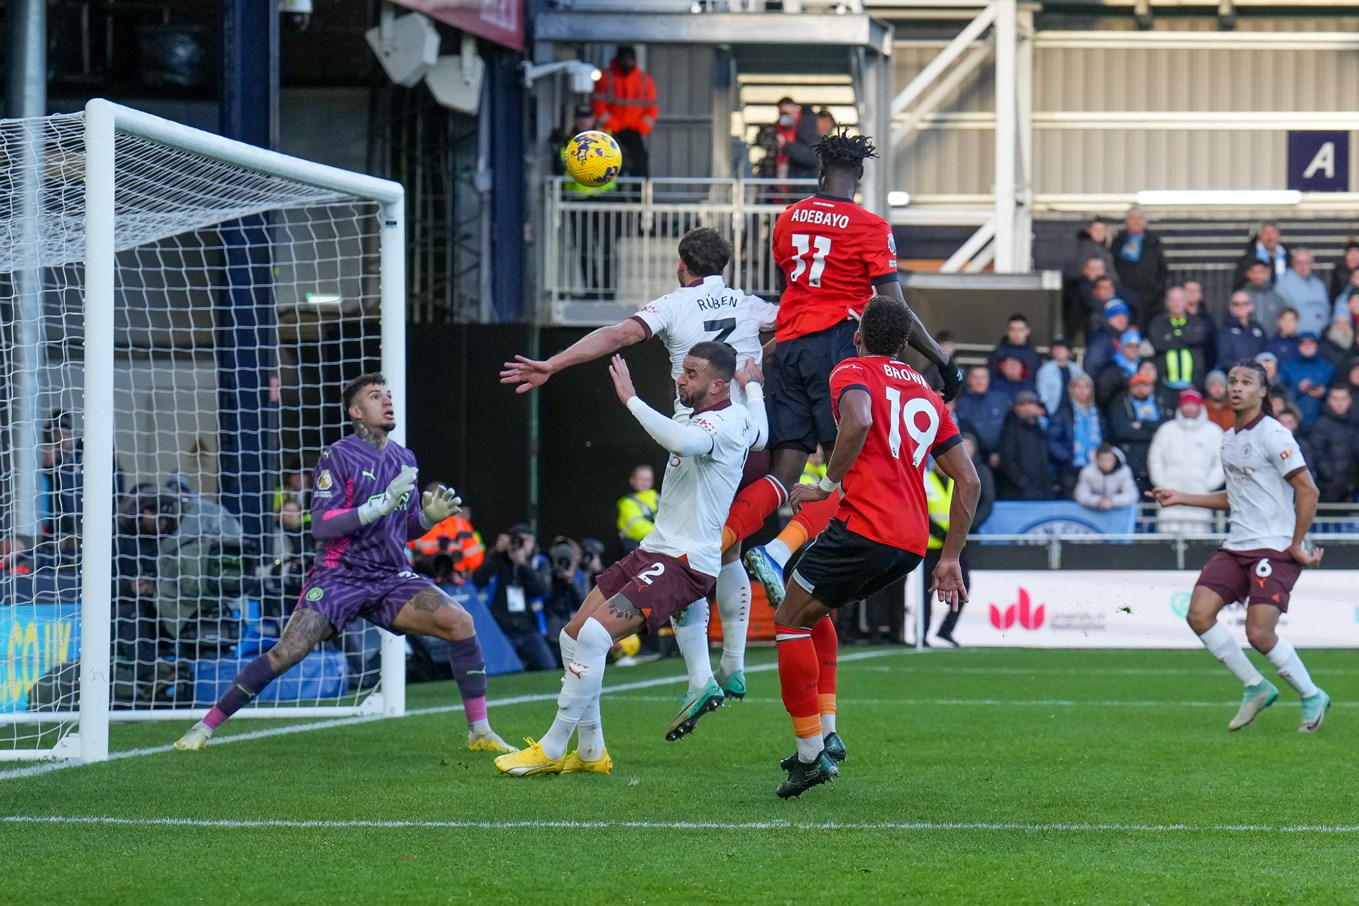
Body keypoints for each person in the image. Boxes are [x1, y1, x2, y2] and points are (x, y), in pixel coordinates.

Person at [501, 226, 775, 702]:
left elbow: (618, 334)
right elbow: (796, 320)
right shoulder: (749, 304)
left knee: (683, 550)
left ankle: (703, 676)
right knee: (724, 548)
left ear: (681, 265)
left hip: (697, 436)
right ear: (724, 267)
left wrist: (554, 364)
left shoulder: (673, 304)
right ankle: (729, 664)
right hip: (748, 438)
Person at [173, 373, 515, 754]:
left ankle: (479, 730)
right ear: (356, 411)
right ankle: (204, 727)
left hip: (389, 577)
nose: (387, 401)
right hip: (340, 576)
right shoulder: (337, 456)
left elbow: (402, 528)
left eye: (387, 394)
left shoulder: (405, 459)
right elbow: (321, 526)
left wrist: (427, 519)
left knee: (460, 622)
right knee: (289, 651)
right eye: (375, 396)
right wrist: (377, 506)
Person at [494, 343, 765, 776]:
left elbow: (682, 439)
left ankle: (551, 746)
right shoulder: (737, 414)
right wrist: (753, 389)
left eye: (691, 374)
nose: (681, 379)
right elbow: (763, 433)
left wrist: (631, 399)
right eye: (682, 370)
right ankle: (590, 752)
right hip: (654, 549)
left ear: (717, 384)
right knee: (572, 636)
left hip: (684, 561)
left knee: (596, 637)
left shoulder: (722, 423)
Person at [735, 132, 960, 612]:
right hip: (834, 347)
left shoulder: (788, 218)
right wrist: (941, 359)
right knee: (851, 466)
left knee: (787, 465)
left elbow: (797, 287)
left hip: (790, 346)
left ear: (821, 173)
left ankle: (734, 541)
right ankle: (786, 553)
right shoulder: (870, 227)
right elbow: (893, 307)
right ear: (860, 176)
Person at [768, 296, 980, 798]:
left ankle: (810, 754)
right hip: (910, 543)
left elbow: (859, 421)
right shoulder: (928, 395)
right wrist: (949, 557)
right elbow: (968, 482)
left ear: (859, 334)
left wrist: (825, 484)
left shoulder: (852, 369)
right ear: (906, 344)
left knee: (788, 620)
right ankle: (827, 733)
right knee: (813, 614)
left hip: (864, 527)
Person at [1148, 360, 1330, 733]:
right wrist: (1181, 496)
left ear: (1262, 392)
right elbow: (1236, 496)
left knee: (1259, 634)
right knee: (1198, 614)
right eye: (1233, 381)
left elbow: (1308, 489)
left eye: (1247, 382)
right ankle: (1255, 685)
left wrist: (1296, 543)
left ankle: (1312, 695)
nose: (1236, 387)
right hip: (1237, 545)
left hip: (1274, 548)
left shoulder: (1274, 434)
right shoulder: (1228, 438)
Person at [555, 103, 618, 299]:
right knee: (583, 246)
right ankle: (592, 289)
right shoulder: (567, 142)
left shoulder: (606, 138)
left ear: (593, 118)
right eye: (581, 116)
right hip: (578, 200)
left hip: (604, 199)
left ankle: (607, 289)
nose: (584, 120)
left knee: (607, 246)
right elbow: (559, 167)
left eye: (587, 116)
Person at [474, 523, 555, 672]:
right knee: (502, 670)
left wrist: (523, 564)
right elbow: (478, 580)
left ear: (533, 543)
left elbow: (542, 590)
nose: (520, 545)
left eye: (525, 540)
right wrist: (496, 553)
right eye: (516, 540)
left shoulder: (540, 562)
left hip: (528, 628)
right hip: (501, 629)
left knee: (548, 665)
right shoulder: (498, 560)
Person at [1147, 389, 1224, 534]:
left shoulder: (1213, 431)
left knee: (1198, 542)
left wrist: (1207, 485)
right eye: (1186, 404)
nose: (1189, 408)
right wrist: (1162, 483)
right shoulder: (1166, 430)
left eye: (1192, 404)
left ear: (1199, 406)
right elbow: (1155, 458)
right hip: (1169, 495)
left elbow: (1221, 462)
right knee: (1167, 540)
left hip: (1201, 497)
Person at [591, 45, 657, 182]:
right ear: (618, 60)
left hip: (634, 131)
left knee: (640, 162)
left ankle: (639, 199)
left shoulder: (644, 80)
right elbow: (598, 105)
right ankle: (618, 197)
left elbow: (651, 108)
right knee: (612, 162)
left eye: (630, 60)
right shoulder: (606, 78)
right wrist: (614, 124)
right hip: (611, 131)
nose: (627, 63)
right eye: (624, 60)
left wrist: (641, 127)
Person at [1106, 371, 1165, 493]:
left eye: (1144, 385)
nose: (1140, 389)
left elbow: (1166, 426)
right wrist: (1153, 434)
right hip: (1132, 459)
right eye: (1136, 386)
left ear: (1151, 387)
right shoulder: (1120, 402)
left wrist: (1143, 424)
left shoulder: (1161, 401)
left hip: (1158, 459)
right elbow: (1122, 431)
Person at [1047, 373, 1104, 498]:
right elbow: (1052, 440)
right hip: (1070, 468)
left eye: (1086, 386)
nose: (1082, 390)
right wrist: (1067, 458)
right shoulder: (1063, 412)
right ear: (1071, 390)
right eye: (1077, 386)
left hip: (1095, 467)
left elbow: (1103, 436)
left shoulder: (1097, 412)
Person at [1146, 285, 1211, 391]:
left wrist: (1171, 339)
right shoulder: (1158, 323)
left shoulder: (1197, 322)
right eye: (1172, 299)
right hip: (1164, 386)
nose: (1176, 303)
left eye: (1180, 299)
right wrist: (1186, 341)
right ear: (1166, 302)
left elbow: (1197, 338)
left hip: (1192, 386)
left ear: (1186, 302)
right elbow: (1158, 343)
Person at [1111, 206, 1168, 324]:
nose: (1136, 221)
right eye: (1132, 218)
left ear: (1145, 221)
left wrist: (1157, 289)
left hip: (1151, 299)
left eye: (1140, 218)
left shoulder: (1154, 242)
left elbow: (1162, 269)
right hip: (1124, 296)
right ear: (1126, 221)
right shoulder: (1117, 241)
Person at [995, 390, 1055, 500]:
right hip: (1019, 492)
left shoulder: (1041, 428)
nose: (1027, 408)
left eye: (1031, 403)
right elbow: (1007, 460)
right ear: (1016, 408)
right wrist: (1022, 482)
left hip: (1042, 489)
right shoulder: (1009, 429)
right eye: (1022, 404)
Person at [1308, 385, 1359, 502]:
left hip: (1353, 486)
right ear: (1329, 401)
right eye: (1335, 399)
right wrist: (1331, 477)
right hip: (1329, 488)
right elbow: (1318, 454)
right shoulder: (1320, 425)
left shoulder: (1355, 424)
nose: (1340, 403)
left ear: (1349, 400)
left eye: (1343, 399)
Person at [1279, 332, 1334, 429]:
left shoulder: (1328, 367)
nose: (1307, 346)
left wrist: (1324, 392)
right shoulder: (1288, 366)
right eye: (1303, 343)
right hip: (1293, 421)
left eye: (1310, 343)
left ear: (1316, 346)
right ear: (1298, 346)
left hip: (1321, 421)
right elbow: (1280, 392)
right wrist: (1297, 388)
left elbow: (1337, 390)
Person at [1276, 248, 1331, 337]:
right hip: (1298, 339)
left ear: (1311, 264)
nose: (1303, 266)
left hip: (1322, 338)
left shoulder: (1319, 284)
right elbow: (1279, 314)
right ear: (1293, 264)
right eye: (1299, 262)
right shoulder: (1283, 284)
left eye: (1306, 262)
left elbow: (1326, 308)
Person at [1073, 444, 1138, 511]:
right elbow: (1080, 495)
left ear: (1115, 459)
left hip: (1118, 511)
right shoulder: (1087, 472)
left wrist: (1112, 501)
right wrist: (1097, 501)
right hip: (1093, 511)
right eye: (1102, 460)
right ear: (1096, 460)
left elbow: (1132, 495)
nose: (1106, 463)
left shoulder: (1124, 471)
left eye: (1109, 459)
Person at [773, 96, 822, 182]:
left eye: (787, 114)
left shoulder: (808, 127)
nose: (785, 118)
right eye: (782, 114)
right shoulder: (778, 128)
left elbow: (811, 157)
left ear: (796, 111)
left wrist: (786, 145)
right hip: (782, 183)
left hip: (801, 185)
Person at [1036, 335, 1086, 416]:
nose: (1059, 350)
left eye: (1062, 348)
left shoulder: (1076, 370)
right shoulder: (1045, 370)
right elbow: (1042, 393)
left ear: (1069, 352)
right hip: (1053, 411)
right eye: (1056, 348)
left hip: (1073, 412)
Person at [615, 464, 659, 553]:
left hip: (658, 546)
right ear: (632, 480)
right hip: (636, 549)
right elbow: (637, 528)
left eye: (648, 479)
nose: (644, 482)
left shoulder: (658, 498)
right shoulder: (627, 502)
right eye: (641, 479)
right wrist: (663, 531)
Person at [1232, 221, 1288, 288]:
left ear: (1278, 235)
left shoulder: (1288, 256)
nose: (1270, 237)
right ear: (1260, 236)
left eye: (1273, 233)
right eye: (1266, 233)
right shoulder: (1248, 258)